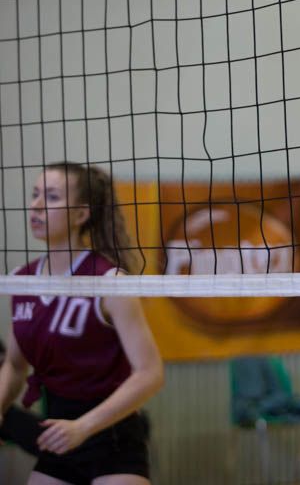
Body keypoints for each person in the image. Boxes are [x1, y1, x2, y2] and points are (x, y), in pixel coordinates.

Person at [0, 162, 165, 484]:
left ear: (81, 214)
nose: (36, 206)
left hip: (111, 438)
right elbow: (15, 366)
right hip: (57, 435)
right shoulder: (22, 280)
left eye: (51, 197)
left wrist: (83, 427)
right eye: (35, 194)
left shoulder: (109, 281)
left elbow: (150, 373)